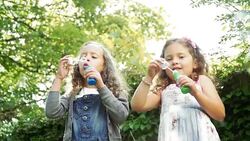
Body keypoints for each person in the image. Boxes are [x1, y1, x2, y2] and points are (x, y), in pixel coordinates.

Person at [130, 37, 225, 141]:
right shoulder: (163, 88)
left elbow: (220, 114)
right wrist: (149, 77)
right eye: (169, 59)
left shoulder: (201, 81)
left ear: (195, 63)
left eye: (181, 57)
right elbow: (137, 106)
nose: (174, 61)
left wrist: (196, 92)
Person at [45, 41, 129, 141]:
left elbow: (121, 116)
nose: (87, 58)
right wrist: (59, 78)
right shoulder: (73, 94)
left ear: (104, 66)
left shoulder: (114, 91)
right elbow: (51, 112)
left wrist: (101, 86)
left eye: (93, 57)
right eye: (83, 56)